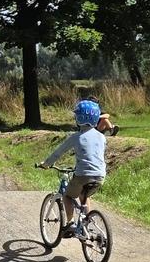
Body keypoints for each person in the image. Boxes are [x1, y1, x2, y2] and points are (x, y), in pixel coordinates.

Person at [38, 99, 108, 237]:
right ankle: (86, 224)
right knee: (84, 195)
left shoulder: (76, 137)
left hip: (83, 175)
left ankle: (70, 224)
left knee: (68, 196)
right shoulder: (101, 137)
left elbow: (58, 153)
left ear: (79, 118)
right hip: (100, 175)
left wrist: (46, 164)